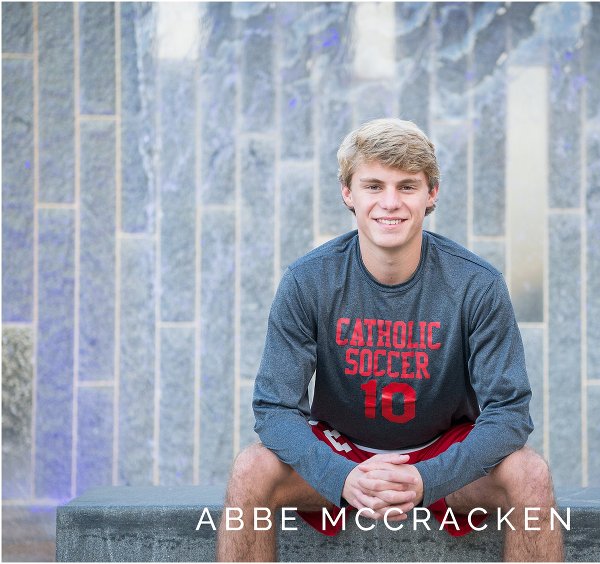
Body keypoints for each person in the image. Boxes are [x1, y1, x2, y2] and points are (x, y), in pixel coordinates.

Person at [216, 118, 564, 561]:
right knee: (250, 468)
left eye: (407, 186)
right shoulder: (309, 281)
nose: (390, 203)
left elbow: (510, 413)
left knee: (530, 474)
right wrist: (341, 475)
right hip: (342, 450)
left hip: (442, 454)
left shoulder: (476, 284)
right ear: (348, 192)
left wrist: (426, 478)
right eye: (374, 185)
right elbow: (274, 407)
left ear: (432, 193)